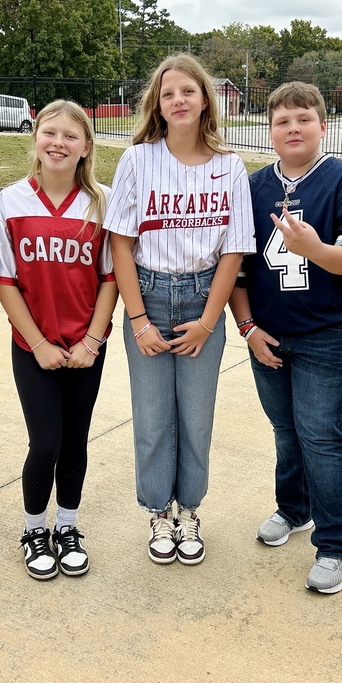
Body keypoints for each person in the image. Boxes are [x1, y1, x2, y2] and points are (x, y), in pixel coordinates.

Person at [228, 82, 342, 594]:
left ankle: (337, 545)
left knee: (321, 433)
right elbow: (238, 272)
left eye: (303, 119)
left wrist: (314, 248)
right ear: (269, 130)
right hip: (269, 332)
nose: (293, 128)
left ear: (322, 124)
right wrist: (247, 328)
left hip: (329, 333)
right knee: (285, 430)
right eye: (282, 121)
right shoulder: (252, 188)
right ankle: (294, 509)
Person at [104, 54, 255, 565]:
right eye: (169, 94)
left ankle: (189, 511)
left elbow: (233, 251)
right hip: (147, 294)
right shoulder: (138, 159)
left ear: (205, 99)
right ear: (158, 105)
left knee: (195, 416)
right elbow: (120, 244)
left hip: (201, 298)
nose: (179, 100)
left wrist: (210, 323)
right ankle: (158, 512)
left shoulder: (230, 166)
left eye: (188, 91)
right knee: (152, 417)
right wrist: (139, 319)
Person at [0, 100, 117, 580]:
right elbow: (4, 281)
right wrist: (37, 343)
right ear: (35, 138)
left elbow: (111, 279)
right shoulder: (11, 202)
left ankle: (68, 526)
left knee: (76, 440)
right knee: (46, 442)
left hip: (85, 348)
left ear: (86, 147)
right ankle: (35, 529)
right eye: (49, 132)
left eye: (70, 136)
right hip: (34, 346)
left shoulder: (103, 200)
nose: (59, 142)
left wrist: (91, 342)